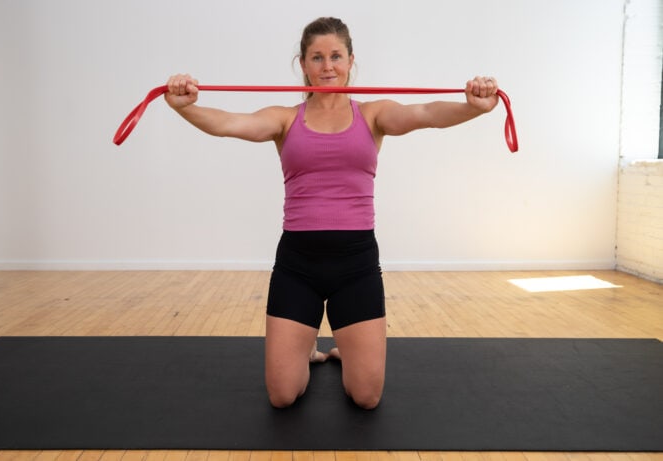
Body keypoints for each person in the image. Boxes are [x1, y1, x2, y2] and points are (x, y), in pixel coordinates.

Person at [164, 17, 499, 410]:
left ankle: (341, 350)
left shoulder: (373, 115)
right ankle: (306, 350)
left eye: (336, 56)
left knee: (367, 397)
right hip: (297, 265)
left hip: (356, 264)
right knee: (282, 395)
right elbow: (229, 124)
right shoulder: (284, 119)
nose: (327, 66)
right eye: (317, 57)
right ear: (302, 63)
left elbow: (425, 112)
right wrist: (185, 107)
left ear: (351, 60)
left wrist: (472, 106)